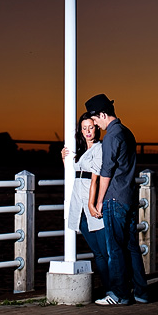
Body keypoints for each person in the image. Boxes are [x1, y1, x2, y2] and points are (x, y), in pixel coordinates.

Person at [84, 93, 149, 306]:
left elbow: (106, 171)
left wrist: (99, 200)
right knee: (131, 247)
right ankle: (141, 292)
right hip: (129, 196)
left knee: (115, 249)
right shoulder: (126, 132)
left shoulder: (112, 135)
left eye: (96, 120)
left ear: (103, 114)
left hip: (114, 198)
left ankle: (119, 294)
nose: (96, 125)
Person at [61, 112, 110, 293]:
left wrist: (93, 204)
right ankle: (108, 287)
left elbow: (95, 179)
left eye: (91, 127)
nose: (88, 131)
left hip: (92, 204)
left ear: (96, 128)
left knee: (104, 252)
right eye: (84, 128)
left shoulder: (100, 148)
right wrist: (63, 157)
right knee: (97, 252)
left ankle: (113, 288)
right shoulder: (80, 149)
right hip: (79, 205)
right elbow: (72, 173)